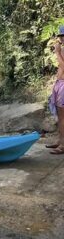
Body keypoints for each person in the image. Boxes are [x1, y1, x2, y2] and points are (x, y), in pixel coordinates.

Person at [47, 26, 64, 154]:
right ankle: (60, 140)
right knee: (59, 115)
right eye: (61, 36)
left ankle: (63, 145)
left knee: (63, 116)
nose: (62, 39)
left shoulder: (61, 50)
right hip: (60, 83)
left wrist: (57, 53)